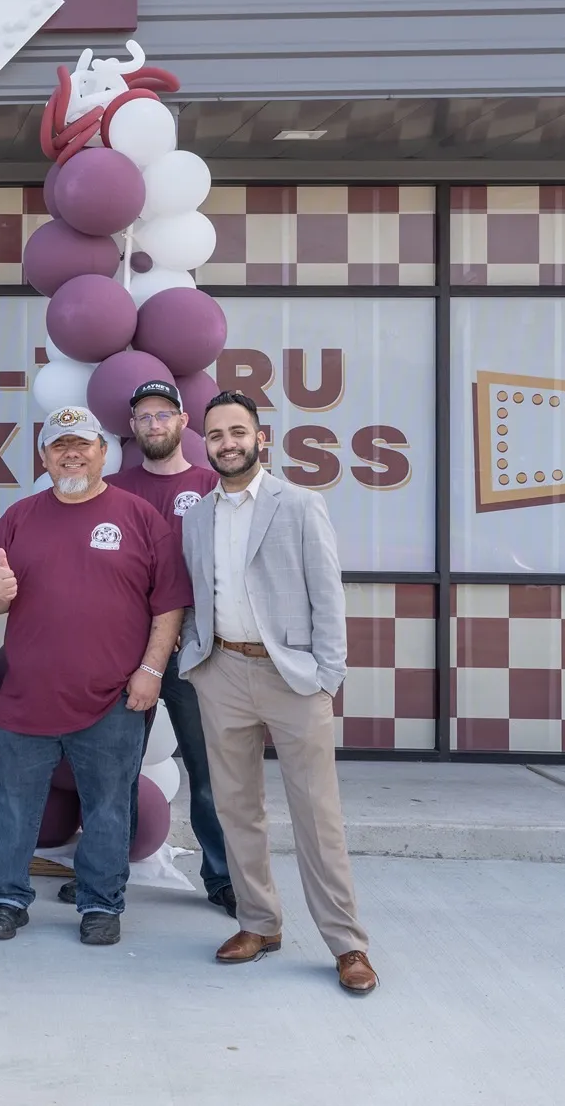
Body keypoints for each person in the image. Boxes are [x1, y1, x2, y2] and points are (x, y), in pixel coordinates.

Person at [181, 392, 378, 995]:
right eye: (215, 435)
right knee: (236, 808)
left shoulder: (298, 504)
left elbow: (328, 595)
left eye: (237, 432)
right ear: (205, 443)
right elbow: (197, 593)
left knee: (317, 816)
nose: (227, 443)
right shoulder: (195, 516)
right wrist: (199, 659)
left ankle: (347, 944)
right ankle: (259, 923)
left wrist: (328, 676)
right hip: (222, 674)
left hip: (291, 678)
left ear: (261, 438)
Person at [0, 406, 188, 947]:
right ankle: (5, 898)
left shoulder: (139, 518)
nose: (71, 453)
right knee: (15, 806)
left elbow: (169, 605)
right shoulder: (19, 516)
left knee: (109, 808)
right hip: (28, 694)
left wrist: (151, 670)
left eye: (82, 444)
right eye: (59, 445)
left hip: (113, 697)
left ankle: (100, 903)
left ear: (102, 452)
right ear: (43, 457)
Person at [106, 379, 233, 918]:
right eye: (143, 416)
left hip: (197, 653)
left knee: (211, 775)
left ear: (185, 422)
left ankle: (225, 877)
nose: (153, 424)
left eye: (164, 414)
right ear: (131, 428)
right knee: (112, 771)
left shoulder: (215, 484)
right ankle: (102, 872)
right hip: (121, 651)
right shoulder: (111, 487)